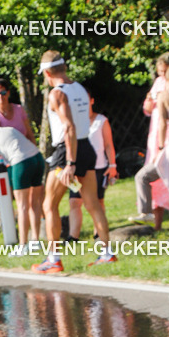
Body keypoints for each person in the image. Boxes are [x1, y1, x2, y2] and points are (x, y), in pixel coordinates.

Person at [32, 50, 116, 274]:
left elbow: (68, 127)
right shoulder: (79, 88)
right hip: (86, 146)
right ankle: (107, 254)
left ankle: (53, 259)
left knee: (49, 205)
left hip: (67, 151)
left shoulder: (56, 93)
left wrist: (69, 163)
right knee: (93, 203)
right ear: (64, 67)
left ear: (48, 73)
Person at [0, 122, 45, 252]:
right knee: (35, 203)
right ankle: (35, 241)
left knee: (22, 206)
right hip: (37, 158)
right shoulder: (7, 129)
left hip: (21, 162)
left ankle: (22, 245)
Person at [131, 52, 169, 228]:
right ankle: (154, 221)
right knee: (153, 178)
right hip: (156, 133)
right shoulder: (158, 83)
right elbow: (148, 108)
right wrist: (148, 103)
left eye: (164, 71)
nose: (162, 75)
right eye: (159, 72)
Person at [67, 89, 118, 239]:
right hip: (79, 166)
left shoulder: (101, 121)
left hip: (98, 166)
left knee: (97, 202)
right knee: (74, 201)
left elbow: (108, 145)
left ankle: (99, 234)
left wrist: (112, 165)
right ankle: (73, 236)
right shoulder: (74, 122)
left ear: (91, 101)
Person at [0, 78, 36, 143]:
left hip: (23, 150)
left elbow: (30, 135)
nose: (0, 97)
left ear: (8, 93)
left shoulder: (19, 109)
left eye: (3, 93)